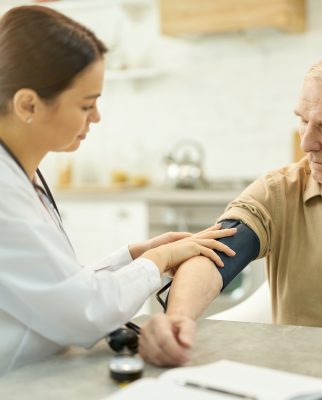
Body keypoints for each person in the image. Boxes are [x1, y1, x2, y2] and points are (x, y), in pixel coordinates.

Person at [0, 5, 238, 375]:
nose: (96, 117)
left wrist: (132, 256)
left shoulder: (20, 176)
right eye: (86, 104)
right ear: (28, 104)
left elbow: (54, 288)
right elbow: (82, 313)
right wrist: (158, 262)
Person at [138, 52, 322, 367]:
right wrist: (178, 317)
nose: (306, 142)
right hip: (296, 379)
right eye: (303, 121)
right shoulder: (278, 191)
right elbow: (212, 255)